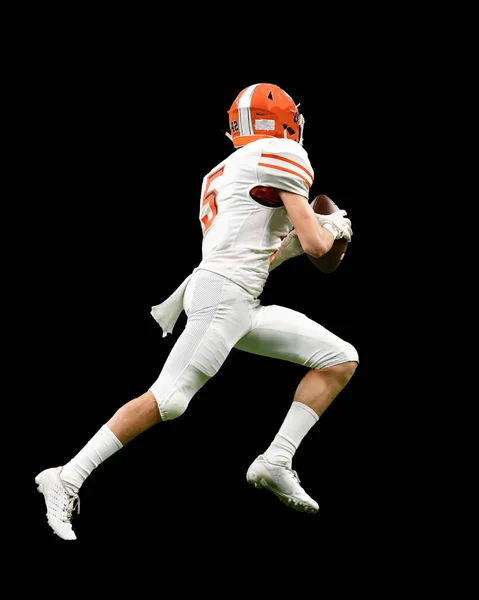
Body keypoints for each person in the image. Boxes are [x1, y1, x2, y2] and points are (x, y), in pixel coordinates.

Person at [35, 82, 359, 540]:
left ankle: (275, 460)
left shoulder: (221, 173)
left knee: (339, 358)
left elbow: (263, 251)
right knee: (169, 399)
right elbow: (315, 248)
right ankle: (66, 476)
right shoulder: (284, 154)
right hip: (224, 294)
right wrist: (335, 228)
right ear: (287, 122)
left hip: (236, 295)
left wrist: (324, 232)